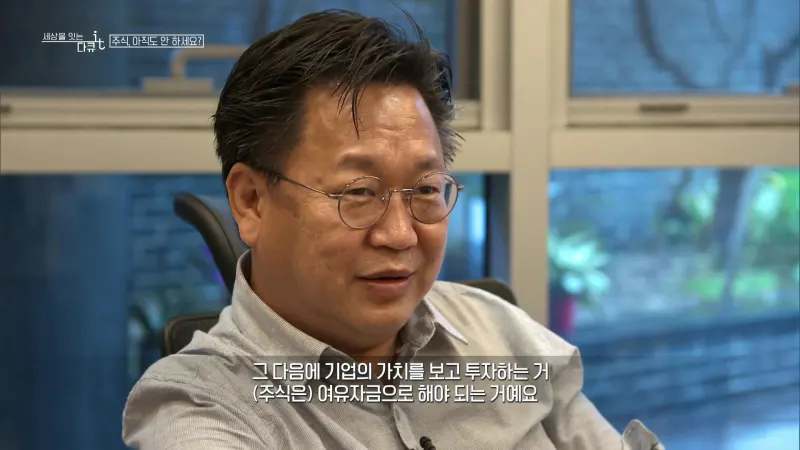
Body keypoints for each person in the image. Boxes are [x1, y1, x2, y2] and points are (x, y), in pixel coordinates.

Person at [122, 10, 663, 449]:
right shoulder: (200, 407)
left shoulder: (498, 330)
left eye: (425, 189)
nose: (401, 235)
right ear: (251, 201)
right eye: (359, 193)